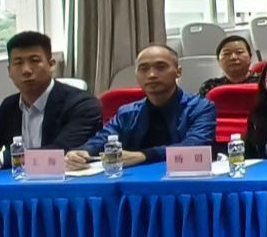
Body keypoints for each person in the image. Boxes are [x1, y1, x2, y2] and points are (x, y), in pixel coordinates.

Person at [0, 32, 103, 169]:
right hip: (16, 185)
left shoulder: (83, 105)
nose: (26, 70)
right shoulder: (9, 106)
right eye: (18, 63)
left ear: (51, 65)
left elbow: (60, 153)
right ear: (9, 71)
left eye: (34, 61)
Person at [77, 45, 218, 166]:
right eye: (143, 69)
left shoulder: (200, 107)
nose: (151, 75)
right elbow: (103, 138)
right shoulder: (127, 112)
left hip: (185, 178)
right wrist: (82, 152)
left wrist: (144, 156)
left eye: (161, 67)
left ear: (178, 71)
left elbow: (195, 146)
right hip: (133, 180)